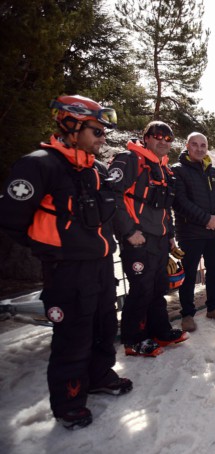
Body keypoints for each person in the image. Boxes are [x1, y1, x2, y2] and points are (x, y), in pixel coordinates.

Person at [0, 95, 131, 429]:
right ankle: (69, 402)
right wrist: (52, 250)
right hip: (67, 272)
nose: (103, 139)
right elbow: (12, 219)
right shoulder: (39, 164)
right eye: (97, 132)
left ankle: (99, 375)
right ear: (71, 126)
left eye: (103, 133)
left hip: (100, 267)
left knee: (104, 326)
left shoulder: (96, 169)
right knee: (72, 336)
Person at [109, 121, 188, 356]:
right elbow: (113, 195)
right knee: (141, 289)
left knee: (158, 287)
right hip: (138, 239)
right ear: (146, 138)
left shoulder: (163, 168)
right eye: (157, 136)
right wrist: (128, 232)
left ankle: (159, 331)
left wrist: (170, 235)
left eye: (168, 138)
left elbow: (166, 207)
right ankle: (133, 340)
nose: (163, 141)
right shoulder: (129, 160)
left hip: (160, 239)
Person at [171, 132, 215, 332]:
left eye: (203, 145)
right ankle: (187, 313)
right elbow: (180, 202)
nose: (199, 148)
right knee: (189, 274)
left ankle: (213, 307)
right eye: (195, 144)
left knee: (214, 272)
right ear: (187, 146)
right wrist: (207, 219)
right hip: (190, 233)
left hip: (214, 232)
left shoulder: (214, 172)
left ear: (207, 148)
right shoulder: (178, 171)